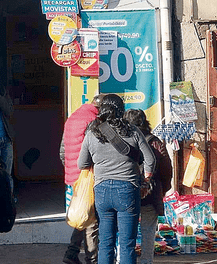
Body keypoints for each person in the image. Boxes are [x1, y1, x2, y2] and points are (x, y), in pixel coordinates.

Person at [78, 94, 156, 264]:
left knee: (106, 242)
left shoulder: (92, 133)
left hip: (102, 191)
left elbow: (81, 163)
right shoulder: (132, 131)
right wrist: (147, 180)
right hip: (127, 191)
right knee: (127, 244)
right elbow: (150, 160)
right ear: (121, 111)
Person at [123, 109, 172, 264]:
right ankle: (145, 261)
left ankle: (123, 259)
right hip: (150, 192)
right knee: (148, 231)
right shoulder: (155, 142)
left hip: (126, 191)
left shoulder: (121, 141)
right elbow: (166, 169)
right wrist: (162, 189)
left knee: (125, 231)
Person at [59, 94, 104, 264]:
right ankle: (92, 258)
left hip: (74, 173)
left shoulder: (74, 117)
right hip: (88, 174)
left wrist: (70, 170)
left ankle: (71, 253)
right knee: (91, 218)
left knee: (82, 214)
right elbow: (94, 150)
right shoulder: (93, 120)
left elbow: (62, 150)